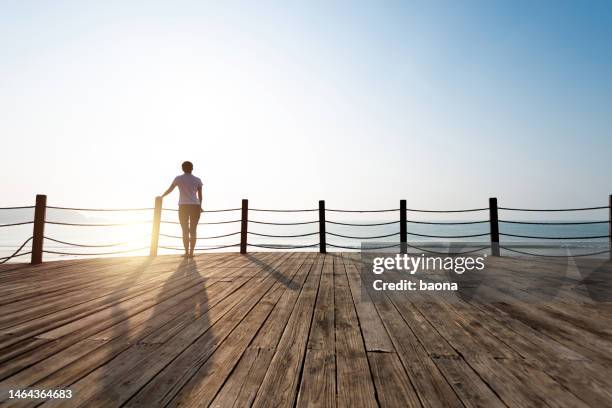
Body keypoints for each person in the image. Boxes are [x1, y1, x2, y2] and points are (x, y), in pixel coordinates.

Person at [160, 161, 203, 258]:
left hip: (183, 206)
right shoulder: (197, 180)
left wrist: (162, 196)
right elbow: (200, 196)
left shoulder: (178, 179)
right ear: (192, 168)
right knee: (193, 230)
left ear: (182, 169)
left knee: (184, 230)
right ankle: (191, 253)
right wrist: (200, 206)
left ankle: (186, 252)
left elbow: (170, 189)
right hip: (195, 206)